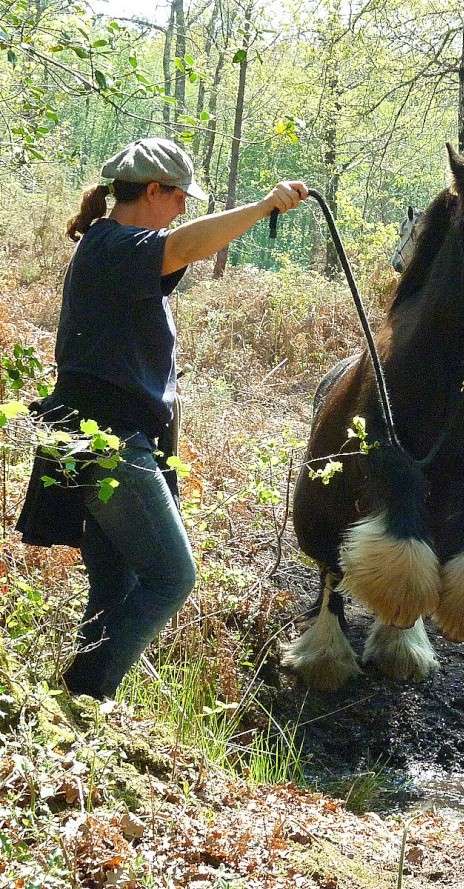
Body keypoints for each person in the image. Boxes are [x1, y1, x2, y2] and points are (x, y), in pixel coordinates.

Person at [16, 137, 308, 700]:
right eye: (179, 197)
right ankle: (87, 692)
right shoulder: (115, 249)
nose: (183, 207)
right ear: (153, 190)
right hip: (106, 443)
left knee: (116, 583)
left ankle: (81, 708)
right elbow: (186, 246)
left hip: (100, 438)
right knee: (172, 577)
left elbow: (177, 247)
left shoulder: (112, 249)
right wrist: (264, 205)